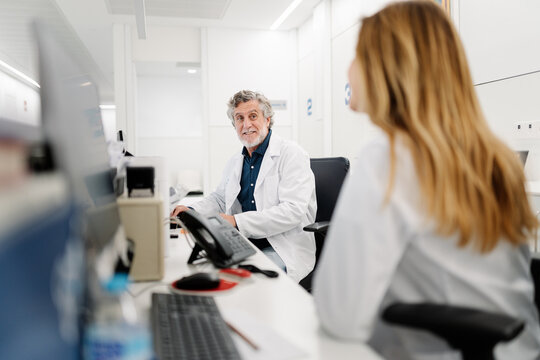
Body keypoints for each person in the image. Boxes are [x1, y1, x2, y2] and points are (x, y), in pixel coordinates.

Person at [313, 1, 540, 359]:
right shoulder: (494, 156)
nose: (349, 68)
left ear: (388, 67)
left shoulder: (389, 157)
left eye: (358, 54)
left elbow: (339, 314)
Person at [171, 90, 317, 282]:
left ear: (267, 119)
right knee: (210, 271)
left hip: (283, 246)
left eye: (253, 116)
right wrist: (191, 210)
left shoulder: (292, 154)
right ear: (234, 125)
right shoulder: (236, 161)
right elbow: (220, 199)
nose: (246, 124)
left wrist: (236, 222)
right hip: (246, 242)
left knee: (248, 280)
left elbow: (292, 211)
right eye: (239, 118)